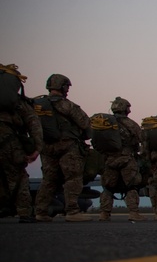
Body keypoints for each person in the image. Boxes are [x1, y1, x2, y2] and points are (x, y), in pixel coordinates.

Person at [33, 74, 94, 222]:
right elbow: (85, 123)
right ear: (63, 86)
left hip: (46, 147)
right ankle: (72, 211)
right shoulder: (67, 105)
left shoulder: (37, 105)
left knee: (48, 180)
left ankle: (40, 212)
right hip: (67, 146)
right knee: (73, 178)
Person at [0, 63, 43, 222]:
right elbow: (34, 125)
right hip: (9, 143)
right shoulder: (18, 103)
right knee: (19, 176)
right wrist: (37, 148)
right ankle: (24, 212)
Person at [97, 97, 145, 222]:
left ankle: (104, 213)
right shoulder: (130, 124)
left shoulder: (105, 123)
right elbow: (142, 139)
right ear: (125, 108)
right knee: (131, 186)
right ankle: (133, 213)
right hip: (126, 159)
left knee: (108, 188)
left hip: (109, 160)